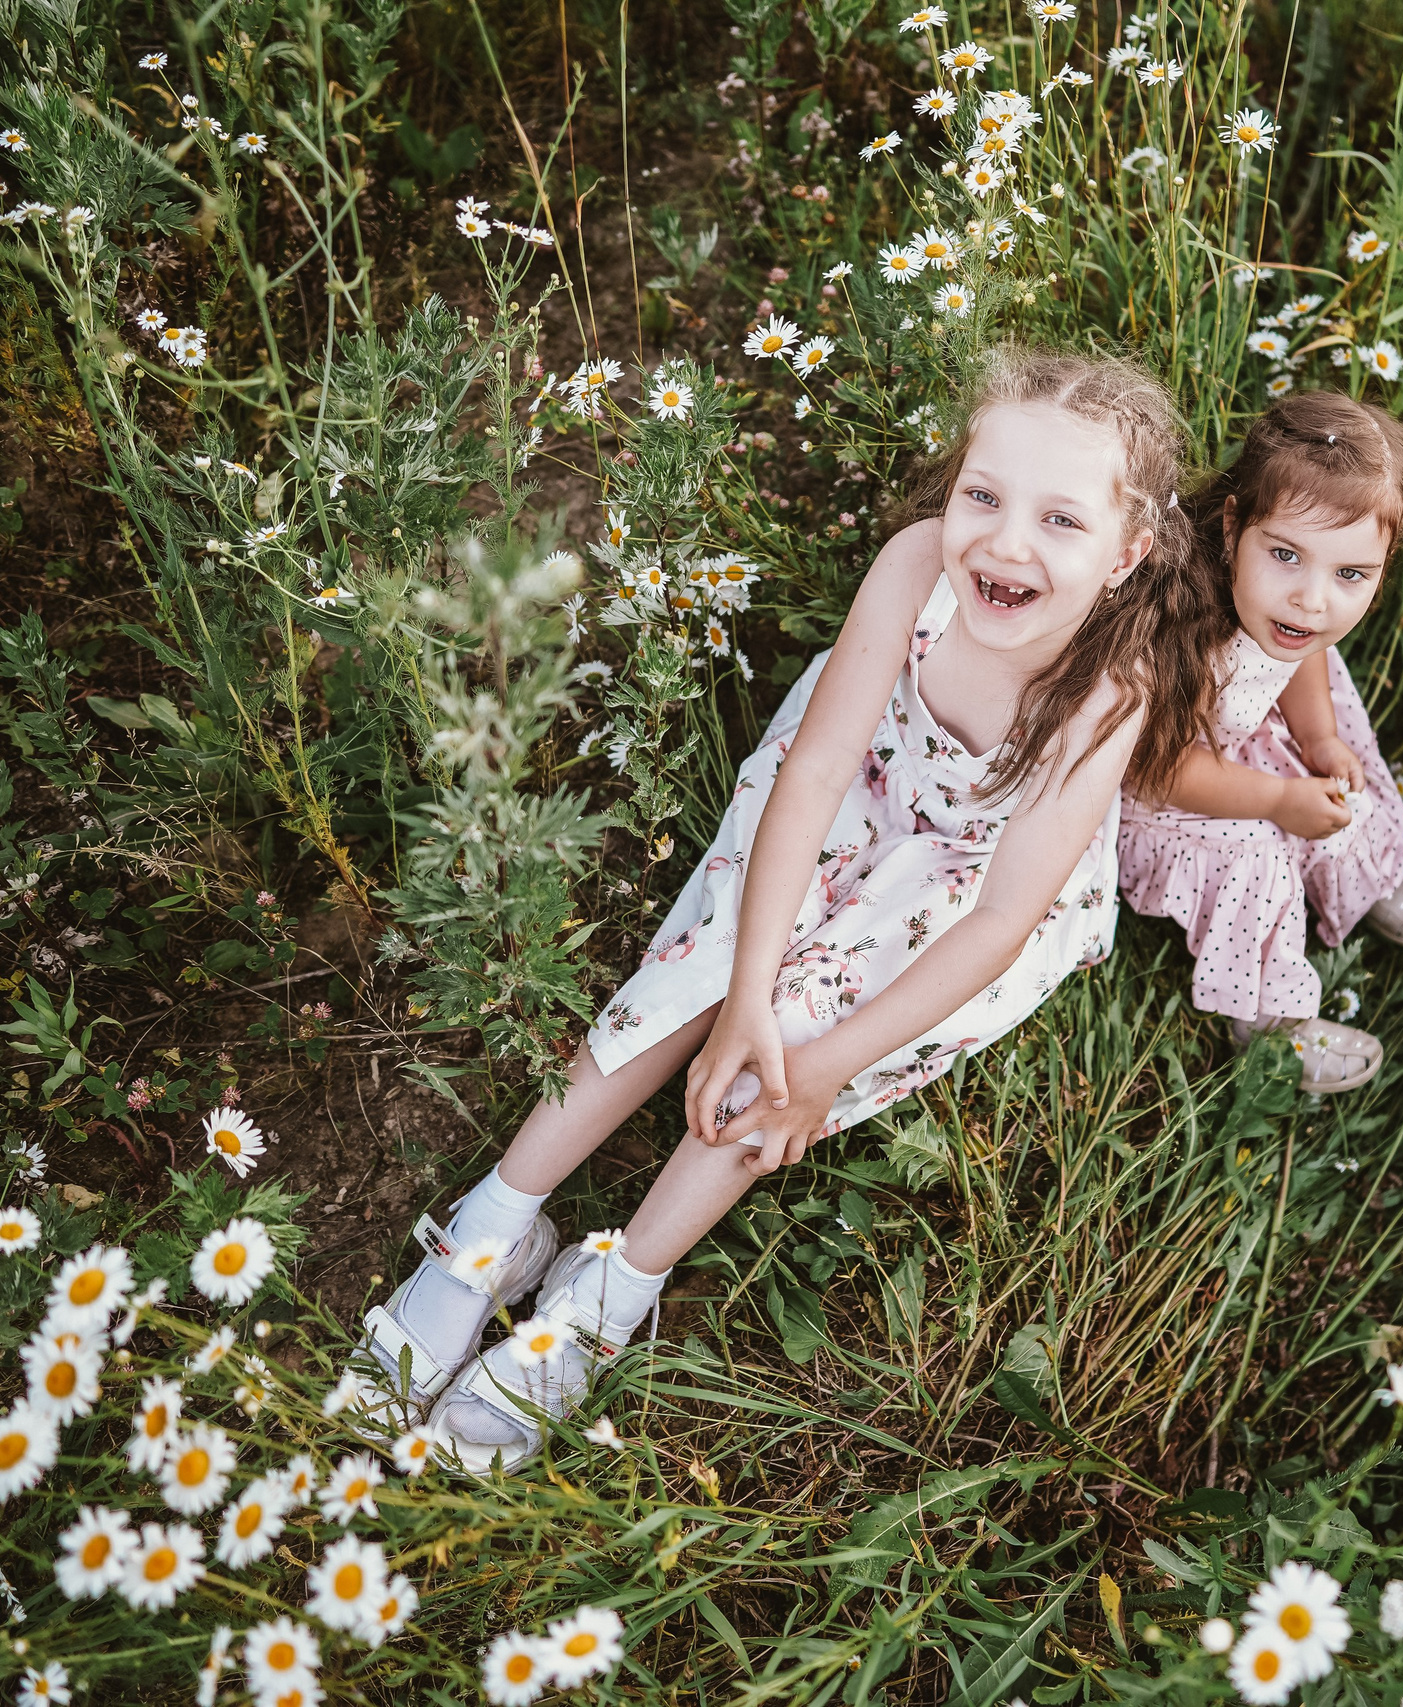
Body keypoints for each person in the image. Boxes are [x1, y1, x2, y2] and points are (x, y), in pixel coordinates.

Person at [361, 346, 1211, 1469]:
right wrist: (744, 986)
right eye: (984, 496)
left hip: (975, 874)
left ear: (1126, 555)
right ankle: (492, 1228)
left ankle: (612, 1292)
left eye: (1061, 522)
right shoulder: (918, 566)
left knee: (801, 1041)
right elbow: (814, 774)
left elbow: (1000, 919)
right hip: (853, 784)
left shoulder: (1110, 689)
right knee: (700, 965)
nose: (1004, 544)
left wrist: (805, 1060)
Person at [1117, 390, 1403, 1095]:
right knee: (1260, 851)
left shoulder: (1289, 613)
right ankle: (1266, 1020)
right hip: (1156, 788)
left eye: (1350, 573)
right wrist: (1275, 801)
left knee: (1331, 781)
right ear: (1234, 526)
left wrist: (1320, 739)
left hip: (1233, 741)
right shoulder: (1185, 625)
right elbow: (1155, 770)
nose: (1313, 599)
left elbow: (1305, 659)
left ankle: (1358, 875)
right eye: (1287, 554)